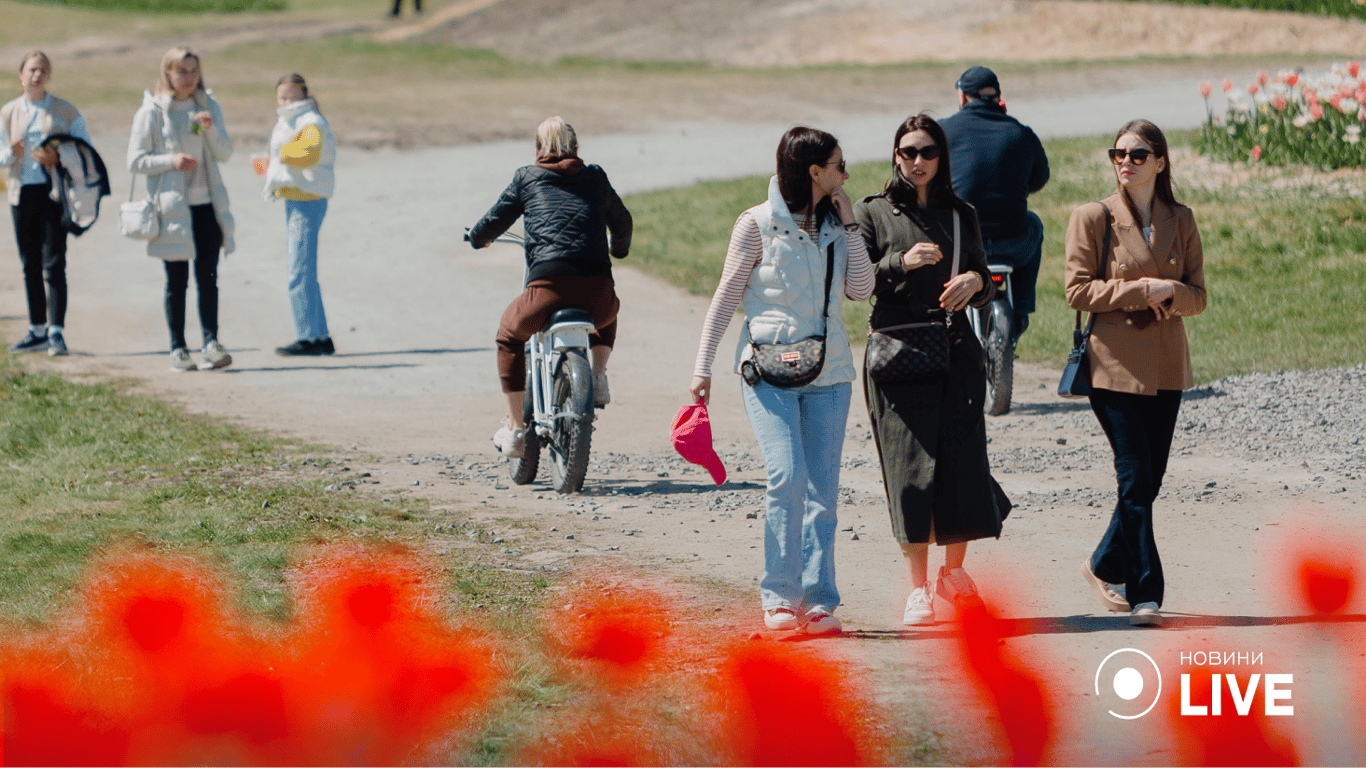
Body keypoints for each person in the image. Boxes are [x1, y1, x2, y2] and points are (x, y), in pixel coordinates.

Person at [689, 126, 874, 636]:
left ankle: (819, 602)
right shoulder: (754, 224)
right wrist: (702, 367)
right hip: (766, 372)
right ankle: (779, 599)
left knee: (823, 492)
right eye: (839, 165)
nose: (846, 174)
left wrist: (852, 225)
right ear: (815, 172)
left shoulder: (838, 225)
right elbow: (726, 296)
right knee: (786, 478)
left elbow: (862, 288)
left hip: (830, 372)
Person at [853, 113, 1011, 627]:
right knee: (909, 468)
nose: (916, 162)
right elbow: (855, 279)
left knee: (963, 461)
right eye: (907, 152)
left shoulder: (962, 213)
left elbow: (986, 275)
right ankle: (917, 589)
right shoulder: (873, 212)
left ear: (941, 157)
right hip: (898, 352)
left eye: (926, 152)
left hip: (955, 348)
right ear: (895, 157)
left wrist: (975, 283)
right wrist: (901, 262)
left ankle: (953, 575)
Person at [1067, 119, 1206, 627]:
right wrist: (1138, 290)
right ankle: (1146, 591)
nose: (1125, 161)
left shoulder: (1182, 218)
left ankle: (1103, 563)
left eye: (1138, 154)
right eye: (1118, 153)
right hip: (1113, 366)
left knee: (1150, 480)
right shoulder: (1092, 217)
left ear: (1160, 162)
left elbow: (1199, 296)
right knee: (1135, 476)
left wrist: (1170, 291)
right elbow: (1076, 291)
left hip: (1168, 366)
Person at [469, 116, 632, 456]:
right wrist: (618, 249)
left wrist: (477, 238)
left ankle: (515, 430)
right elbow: (622, 220)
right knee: (608, 306)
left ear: (537, 151)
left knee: (508, 335)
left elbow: (496, 218)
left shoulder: (527, 177)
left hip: (547, 288)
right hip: (596, 294)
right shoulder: (596, 176)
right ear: (576, 148)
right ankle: (598, 376)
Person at [128, 46, 236, 373]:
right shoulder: (151, 112)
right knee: (177, 281)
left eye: (194, 71)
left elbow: (224, 153)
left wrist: (210, 129)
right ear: (168, 73)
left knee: (209, 277)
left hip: (206, 206)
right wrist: (170, 161)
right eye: (181, 71)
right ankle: (178, 347)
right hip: (172, 208)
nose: (189, 78)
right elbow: (135, 160)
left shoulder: (208, 105)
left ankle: (211, 343)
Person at [938, 65, 1049, 343]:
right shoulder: (1021, 133)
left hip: (960, 246)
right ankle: (1021, 310)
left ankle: (937, 315)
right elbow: (1040, 178)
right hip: (1012, 243)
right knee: (1033, 222)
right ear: (998, 96)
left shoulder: (943, 131)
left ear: (963, 97)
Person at [1, 51, 94, 357]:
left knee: (54, 262)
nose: (36, 75)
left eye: (42, 70)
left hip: (54, 194)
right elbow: (0, 156)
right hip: (21, 192)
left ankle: (57, 332)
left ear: (49, 75)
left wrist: (59, 158)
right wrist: (11, 153)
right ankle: (37, 329)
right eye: (31, 70)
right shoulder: (9, 112)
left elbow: (85, 150)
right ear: (20, 75)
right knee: (30, 263)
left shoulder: (65, 111)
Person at [263, 73, 336, 357]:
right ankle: (320, 335)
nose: (288, 102)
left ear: (305, 95)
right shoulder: (292, 121)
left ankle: (308, 337)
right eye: (283, 97)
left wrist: (281, 153)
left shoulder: (311, 121)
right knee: (304, 269)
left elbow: (308, 154)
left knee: (299, 270)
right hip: (295, 198)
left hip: (307, 200)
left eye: (294, 96)